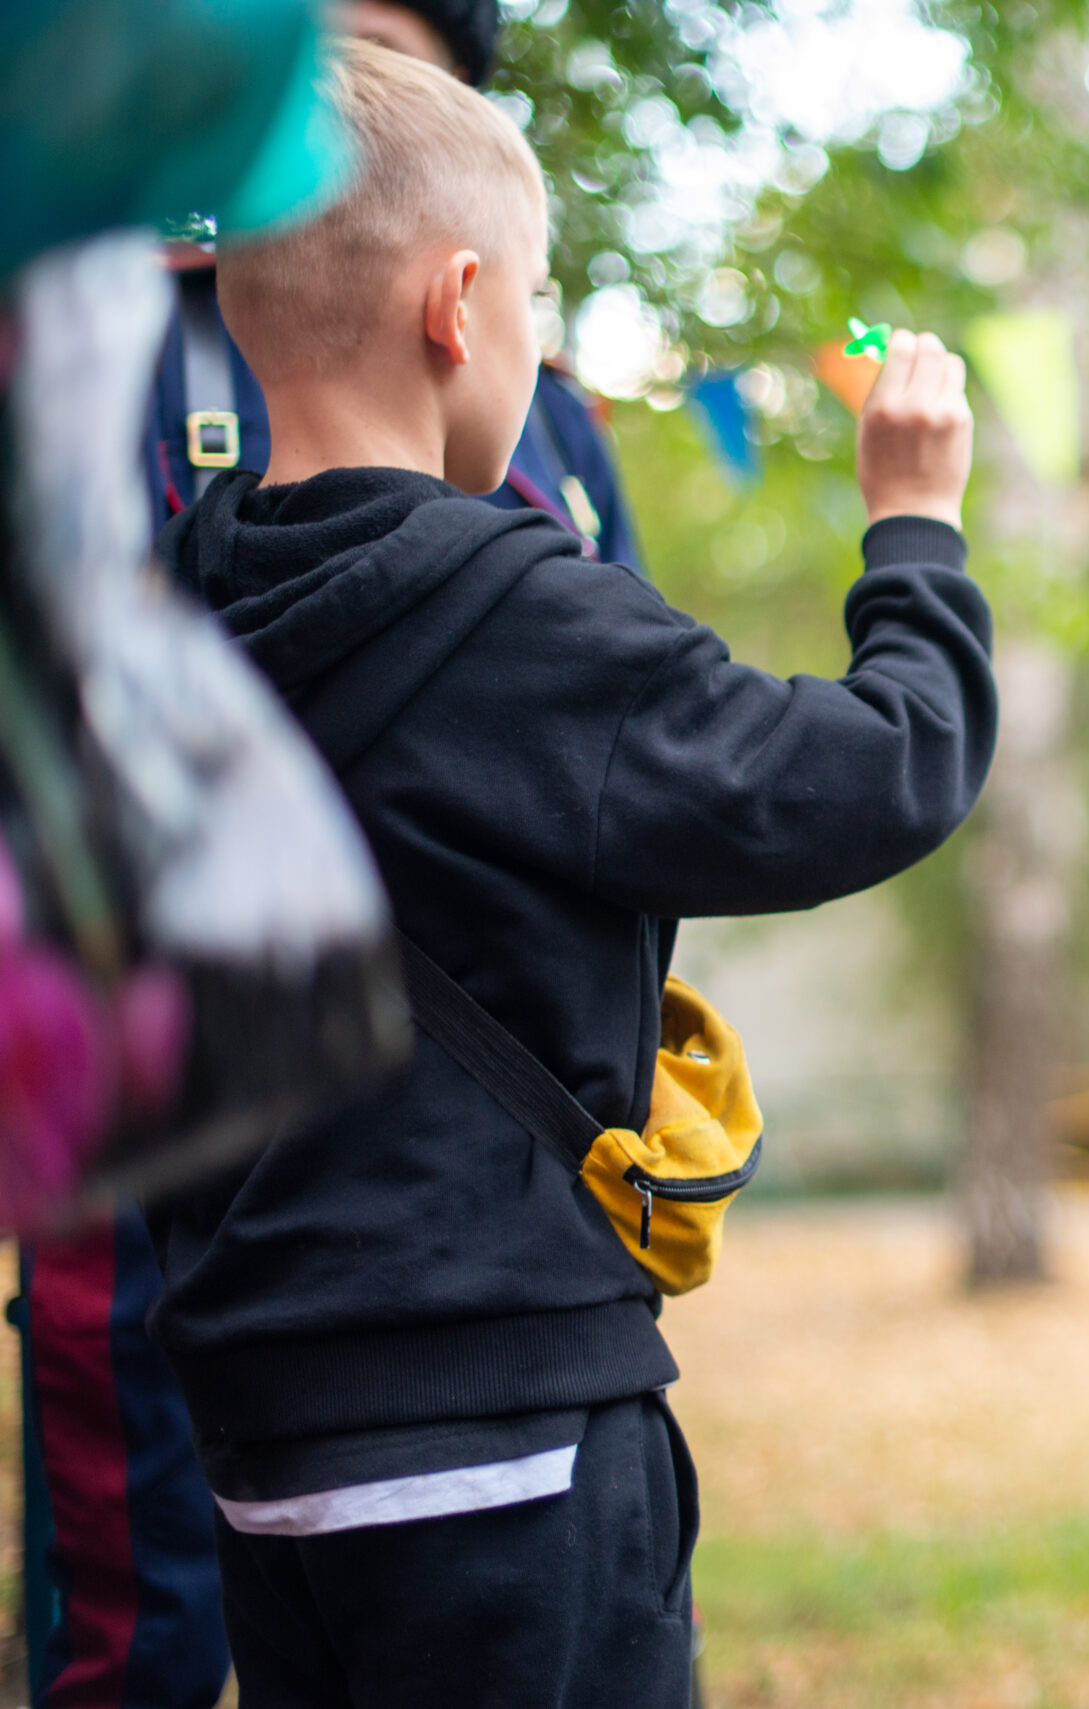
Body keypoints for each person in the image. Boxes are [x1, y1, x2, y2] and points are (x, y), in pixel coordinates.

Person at [144, 39, 989, 1705]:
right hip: (509, 1436)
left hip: (263, 1446)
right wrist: (914, 527)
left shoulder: (162, 616)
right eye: (538, 299)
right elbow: (877, 770)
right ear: (458, 306)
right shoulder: (518, 616)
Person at [17, 6, 647, 1703]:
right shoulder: (112, 334)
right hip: (153, 1120)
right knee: (140, 1611)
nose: (333, 104)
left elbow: (631, 732)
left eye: (384, 58)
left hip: (464, 1200)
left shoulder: (553, 421)